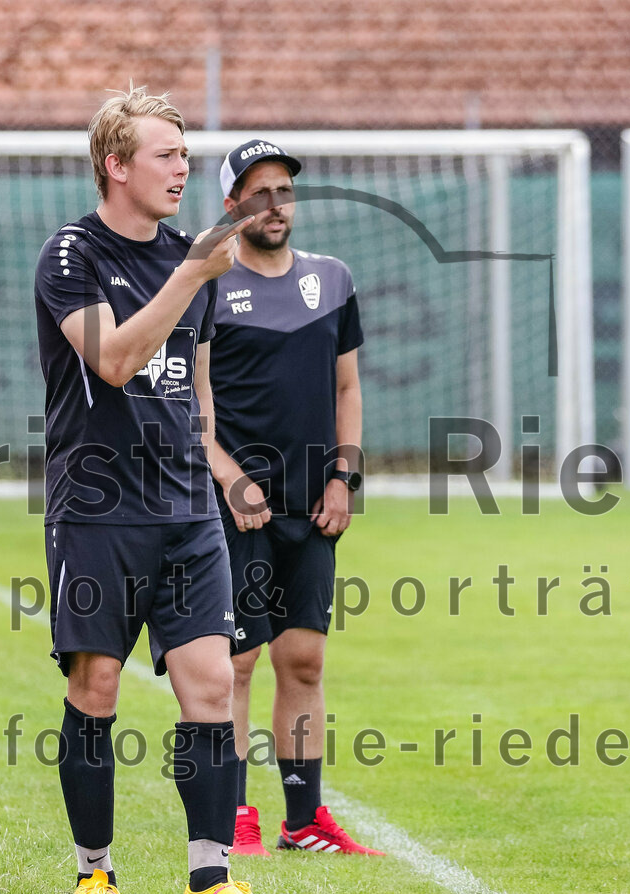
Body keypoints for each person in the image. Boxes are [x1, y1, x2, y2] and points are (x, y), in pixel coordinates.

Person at [33, 86, 286, 894]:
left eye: (185, 155)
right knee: (96, 684)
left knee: (212, 684)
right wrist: (187, 274)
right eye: (165, 155)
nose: (183, 168)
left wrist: (219, 469)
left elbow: (196, 389)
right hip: (98, 507)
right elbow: (113, 360)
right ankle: (95, 874)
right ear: (116, 164)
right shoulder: (70, 255)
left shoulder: (192, 255)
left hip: (184, 507)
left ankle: (209, 882)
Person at [206, 139, 383, 856]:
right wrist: (227, 475)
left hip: (314, 508)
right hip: (239, 506)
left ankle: (304, 819)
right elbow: (193, 403)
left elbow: (347, 389)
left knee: (304, 660)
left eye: (284, 190)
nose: (275, 205)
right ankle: (235, 819)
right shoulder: (208, 285)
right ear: (231, 206)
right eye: (259, 192)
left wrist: (345, 478)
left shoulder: (333, 280)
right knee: (238, 663)